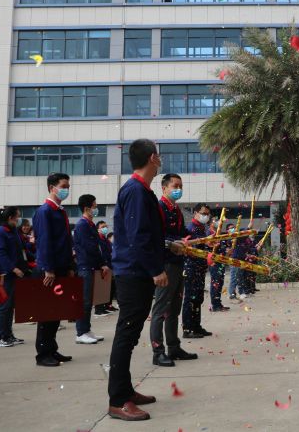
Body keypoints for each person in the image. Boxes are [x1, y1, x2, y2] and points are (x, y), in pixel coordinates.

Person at [108, 139, 184, 421]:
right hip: (132, 273)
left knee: (129, 335)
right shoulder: (136, 191)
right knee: (126, 335)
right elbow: (137, 237)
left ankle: (125, 390)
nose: (160, 160)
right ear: (153, 158)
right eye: (159, 155)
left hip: (137, 270)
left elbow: (147, 235)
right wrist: (156, 269)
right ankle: (118, 400)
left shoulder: (142, 191)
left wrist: (169, 246)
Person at [149, 174, 197, 366]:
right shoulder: (159, 208)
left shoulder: (176, 209)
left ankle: (174, 347)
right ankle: (158, 352)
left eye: (180, 186)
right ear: (164, 188)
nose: (179, 189)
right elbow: (155, 237)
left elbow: (183, 233)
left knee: (174, 310)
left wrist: (197, 240)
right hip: (165, 265)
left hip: (178, 263)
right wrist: (173, 243)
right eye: (175, 186)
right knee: (160, 310)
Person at [32, 173, 74, 367]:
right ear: (52, 188)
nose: (66, 190)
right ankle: (42, 354)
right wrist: (48, 268)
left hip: (61, 267)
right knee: (46, 313)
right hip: (50, 269)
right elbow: (44, 241)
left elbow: (65, 241)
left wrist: (69, 266)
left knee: (56, 312)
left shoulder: (60, 211)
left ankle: (51, 349)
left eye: (68, 186)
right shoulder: (45, 211)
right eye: (63, 186)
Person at [73, 194, 110, 345]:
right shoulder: (82, 225)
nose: (96, 208)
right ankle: (81, 332)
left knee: (88, 301)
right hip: (85, 266)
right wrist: (101, 263)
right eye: (94, 206)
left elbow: (96, 247)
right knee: (84, 301)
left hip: (91, 266)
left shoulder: (89, 224)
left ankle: (86, 330)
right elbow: (90, 248)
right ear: (87, 208)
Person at [0, 206, 29, 347]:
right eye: (17, 217)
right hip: (5, 274)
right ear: (10, 218)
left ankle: (8, 335)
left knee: (9, 306)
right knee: (3, 306)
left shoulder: (12, 231)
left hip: (14, 274)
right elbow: (0, 253)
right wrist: (13, 268)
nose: (18, 219)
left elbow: (21, 251)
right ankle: (0, 337)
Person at [182, 203, 215, 338]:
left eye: (207, 214)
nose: (205, 216)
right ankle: (188, 329)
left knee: (198, 298)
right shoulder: (190, 228)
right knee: (190, 298)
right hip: (191, 267)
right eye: (203, 213)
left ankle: (196, 326)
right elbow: (187, 247)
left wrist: (209, 247)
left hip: (200, 267)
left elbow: (203, 246)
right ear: (195, 213)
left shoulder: (202, 228)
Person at [94, 220, 116, 316]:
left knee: (106, 288)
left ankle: (105, 306)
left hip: (108, 265)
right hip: (101, 266)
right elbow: (100, 253)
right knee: (100, 288)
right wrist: (102, 264)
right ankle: (98, 310)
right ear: (98, 229)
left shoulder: (106, 240)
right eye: (103, 227)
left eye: (106, 226)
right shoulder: (97, 239)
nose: (105, 228)